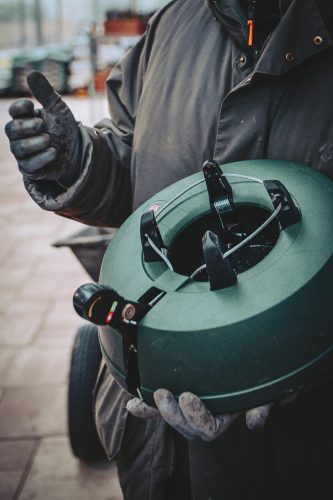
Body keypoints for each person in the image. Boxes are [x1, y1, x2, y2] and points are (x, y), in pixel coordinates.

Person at [5, 1, 333, 498]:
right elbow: (135, 174)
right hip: (157, 453)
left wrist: (294, 360)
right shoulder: (173, 24)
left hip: (297, 457)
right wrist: (78, 163)